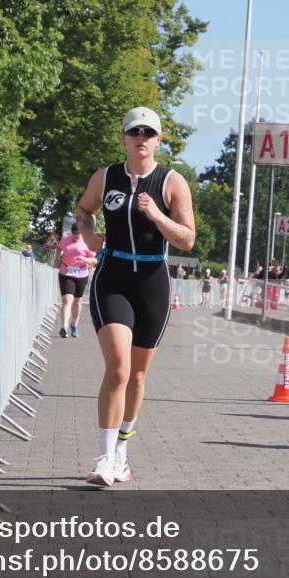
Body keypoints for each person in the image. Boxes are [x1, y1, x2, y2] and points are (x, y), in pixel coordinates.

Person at [75, 107, 195, 487]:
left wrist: (157, 215)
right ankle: (103, 458)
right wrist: (89, 235)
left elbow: (187, 239)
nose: (141, 137)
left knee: (138, 376)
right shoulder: (105, 177)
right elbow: (84, 209)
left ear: (158, 140)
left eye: (148, 132)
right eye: (134, 131)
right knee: (119, 369)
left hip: (152, 282)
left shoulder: (172, 182)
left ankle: (122, 452)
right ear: (124, 137)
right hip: (113, 277)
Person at [55, 223, 97, 338]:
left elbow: (94, 260)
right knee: (67, 300)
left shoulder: (87, 242)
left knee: (77, 302)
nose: (76, 236)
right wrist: (57, 259)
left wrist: (84, 259)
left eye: (78, 234)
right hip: (66, 272)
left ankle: (74, 325)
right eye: (74, 234)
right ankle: (64, 327)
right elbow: (59, 248)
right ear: (71, 232)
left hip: (81, 274)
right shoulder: (65, 239)